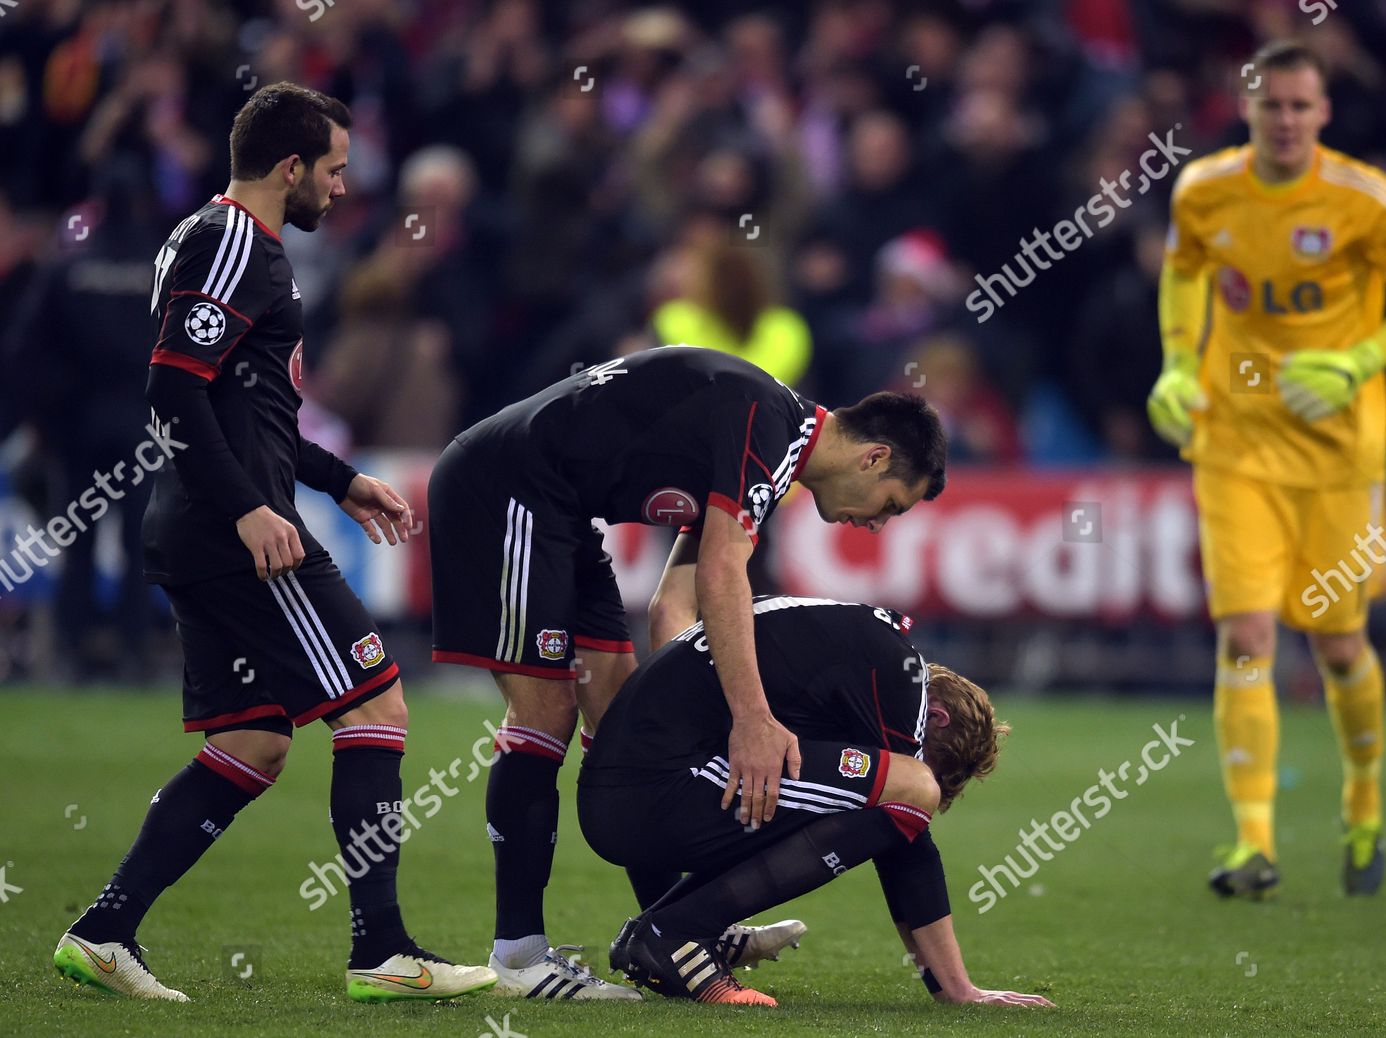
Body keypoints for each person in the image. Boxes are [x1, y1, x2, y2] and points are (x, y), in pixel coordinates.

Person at [52, 82, 496, 1003]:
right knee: (377, 706)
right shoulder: (229, 243)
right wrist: (254, 509)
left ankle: (103, 932)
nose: (340, 188)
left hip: (210, 526)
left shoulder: (227, 243)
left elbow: (249, 408)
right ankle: (383, 952)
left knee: (254, 743)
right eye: (332, 170)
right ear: (290, 166)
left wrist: (339, 480)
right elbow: (173, 390)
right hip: (238, 532)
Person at [426, 345, 946, 997]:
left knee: (624, 730)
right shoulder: (766, 423)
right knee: (545, 715)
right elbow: (721, 570)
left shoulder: (764, 434)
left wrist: (690, 722)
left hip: (560, 508)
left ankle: (668, 928)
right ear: (874, 458)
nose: (876, 525)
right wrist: (752, 719)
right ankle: (520, 956)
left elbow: (673, 604)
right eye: (893, 504)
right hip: (505, 488)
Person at [1147, 41, 1386, 898]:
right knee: (1246, 634)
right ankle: (1254, 842)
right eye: (1270, 105)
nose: (1285, 120)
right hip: (1235, 440)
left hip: (1336, 454)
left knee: (1338, 641)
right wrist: (1177, 363)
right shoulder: (1204, 189)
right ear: (1246, 110)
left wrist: (1358, 361)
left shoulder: (1369, 200)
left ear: (1324, 113)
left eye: (1300, 106)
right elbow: (1183, 273)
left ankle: (1363, 804)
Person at [578, 595, 1055, 1009]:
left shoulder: (858, 655)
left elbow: (901, 840)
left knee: (896, 795)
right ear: (938, 716)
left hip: (627, 795)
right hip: (651, 793)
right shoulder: (901, 686)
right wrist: (957, 989)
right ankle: (676, 931)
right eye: (935, 759)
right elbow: (910, 834)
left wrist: (952, 986)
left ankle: (665, 929)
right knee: (912, 790)